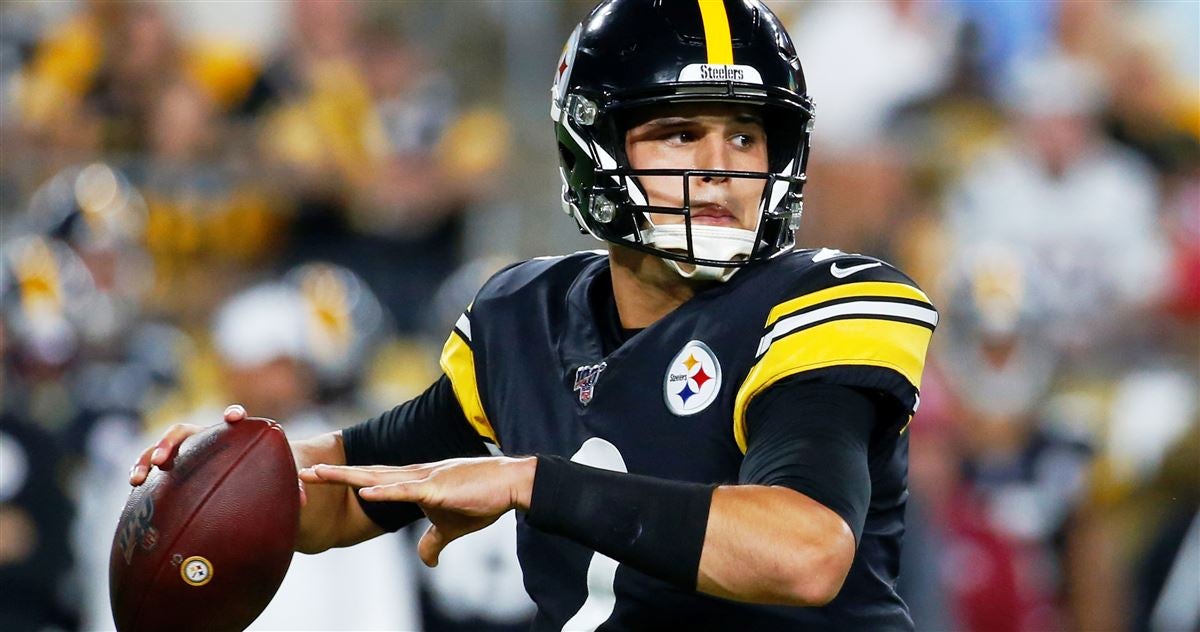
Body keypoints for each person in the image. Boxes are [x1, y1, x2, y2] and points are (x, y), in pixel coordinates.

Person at [131, 1, 937, 628]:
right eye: (682, 133)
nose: (720, 169)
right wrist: (230, 467)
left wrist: (532, 482)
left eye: (746, 137)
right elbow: (359, 487)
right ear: (595, 146)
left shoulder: (826, 304)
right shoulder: (527, 318)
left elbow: (804, 552)